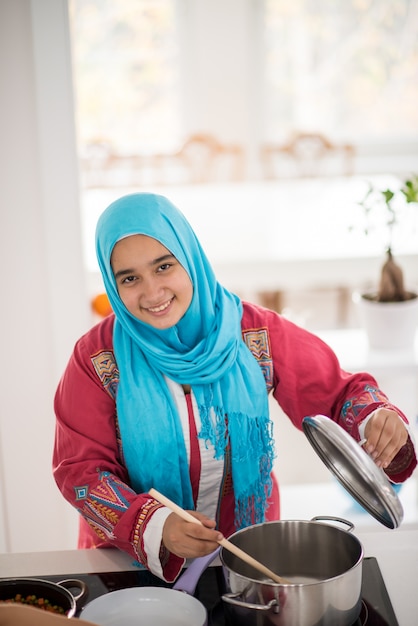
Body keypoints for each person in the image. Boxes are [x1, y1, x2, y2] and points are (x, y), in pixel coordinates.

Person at [53, 192, 416, 583]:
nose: (152, 291)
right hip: (133, 564)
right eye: (129, 278)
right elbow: (80, 471)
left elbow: (338, 392)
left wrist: (375, 419)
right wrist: (158, 526)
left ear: (189, 257)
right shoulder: (96, 359)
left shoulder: (253, 332)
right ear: (112, 283)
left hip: (248, 553)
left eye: (163, 267)